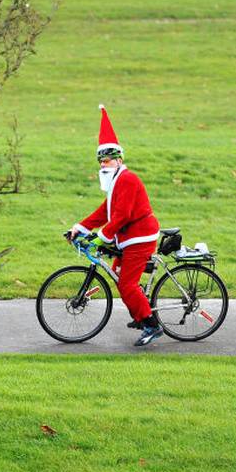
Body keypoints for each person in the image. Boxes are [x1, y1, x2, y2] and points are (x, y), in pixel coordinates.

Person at [68, 105, 166, 347]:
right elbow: (105, 211)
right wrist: (80, 227)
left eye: (109, 158)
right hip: (126, 238)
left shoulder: (128, 180)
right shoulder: (115, 182)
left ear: (120, 159)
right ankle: (140, 313)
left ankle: (152, 325)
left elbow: (121, 216)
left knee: (126, 283)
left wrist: (99, 238)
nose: (104, 162)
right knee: (121, 276)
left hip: (140, 238)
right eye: (101, 159)